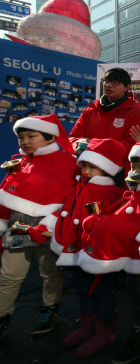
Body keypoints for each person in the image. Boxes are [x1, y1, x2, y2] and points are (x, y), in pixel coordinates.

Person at [76, 141, 140, 358]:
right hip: (129, 261)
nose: (136, 173)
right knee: (136, 302)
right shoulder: (133, 194)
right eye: (134, 168)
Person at [0, 115, 77, 338]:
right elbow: (7, 196)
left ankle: (49, 309)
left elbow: (71, 196)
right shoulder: (21, 162)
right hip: (18, 227)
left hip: (49, 229)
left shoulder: (66, 162)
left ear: (50, 136)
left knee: (50, 273)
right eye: (21, 137)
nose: (25, 141)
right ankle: (3, 316)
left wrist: (51, 221)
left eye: (31, 136)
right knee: (9, 275)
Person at [55, 139, 126, 349]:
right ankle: (88, 324)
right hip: (75, 248)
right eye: (84, 165)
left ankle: (106, 330)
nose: (85, 170)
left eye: (92, 167)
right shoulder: (80, 187)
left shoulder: (112, 192)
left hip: (97, 253)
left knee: (103, 290)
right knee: (81, 287)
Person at [70, 67, 140, 163]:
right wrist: (78, 144)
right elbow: (73, 138)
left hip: (118, 173)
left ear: (127, 87)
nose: (108, 85)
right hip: (88, 169)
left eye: (115, 82)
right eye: (106, 81)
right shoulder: (89, 111)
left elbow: (133, 146)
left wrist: (97, 146)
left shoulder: (136, 115)